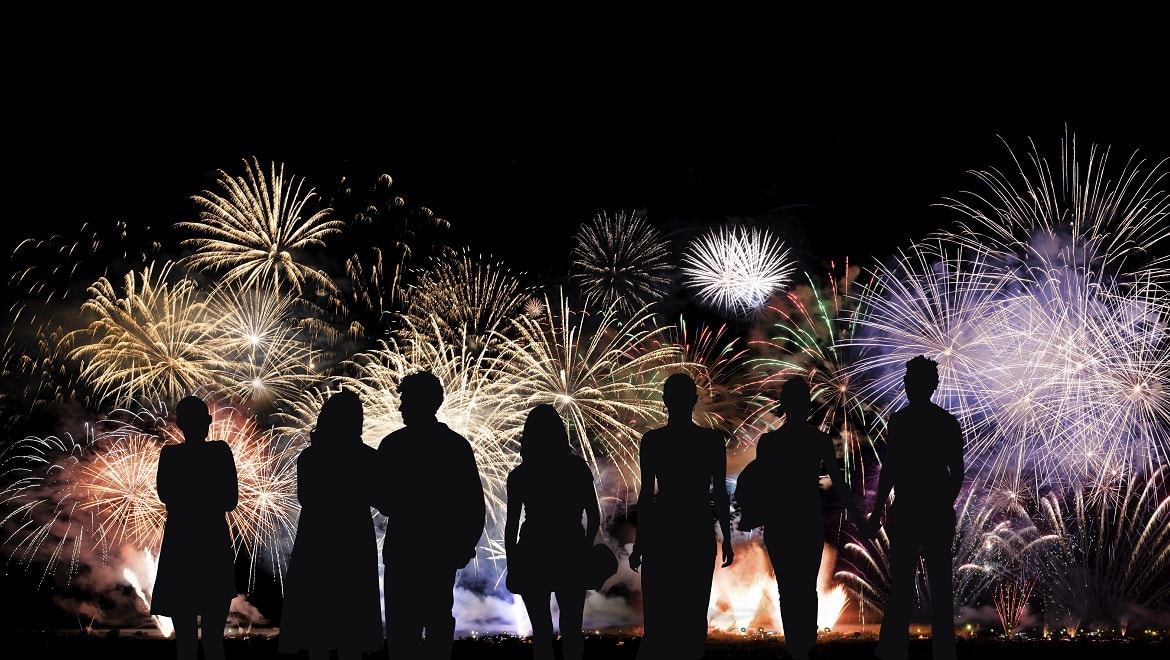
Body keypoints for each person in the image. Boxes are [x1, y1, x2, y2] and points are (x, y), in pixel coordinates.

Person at [749, 376, 863, 660]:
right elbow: (838, 483)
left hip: (780, 523)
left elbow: (759, 483)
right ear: (807, 405)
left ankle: (796, 647)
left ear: (784, 405)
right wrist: (861, 520)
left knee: (788, 588)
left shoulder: (770, 442)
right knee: (805, 588)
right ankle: (806, 646)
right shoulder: (818, 440)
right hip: (806, 521)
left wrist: (752, 513)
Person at [377, 370, 486, 660]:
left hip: (404, 550)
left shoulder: (392, 445)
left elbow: (383, 502)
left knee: (402, 629)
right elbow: (474, 504)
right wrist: (463, 545)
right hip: (440, 551)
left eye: (405, 400)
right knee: (438, 621)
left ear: (419, 402)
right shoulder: (456, 446)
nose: (400, 407)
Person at [862, 355, 965, 660]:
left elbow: (890, 471)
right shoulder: (946, 422)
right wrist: (942, 504)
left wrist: (880, 508)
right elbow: (956, 473)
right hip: (929, 510)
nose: (907, 385)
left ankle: (893, 647)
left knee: (902, 584)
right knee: (939, 584)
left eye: (911, 380)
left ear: (925, 384)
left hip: (908, 509)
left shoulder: (901, 422)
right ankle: (944, 650)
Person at [629, 372, 734, 660]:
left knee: (660, 615)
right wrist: (725, 538)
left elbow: (646, 495)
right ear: (694, 401)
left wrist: (641, 543)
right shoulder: (712, 441)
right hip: (697, 528)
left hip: (663, 531)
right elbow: (720, 495)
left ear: (665, 401)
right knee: (693, 611)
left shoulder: (653, 442)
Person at [278, 388, 385, 660]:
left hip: (316, 541)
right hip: (354, 541)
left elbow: (307, 499)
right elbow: (384, 501)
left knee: (317, 626)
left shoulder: (310, 458)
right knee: (352, 624)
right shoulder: (368, 458)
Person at [504, 403, 602, 660]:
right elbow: (594, 516)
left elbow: (511, 525)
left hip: (532, 551)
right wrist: (586, 547)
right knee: (572, 630)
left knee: (541, 632)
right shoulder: (577, 468)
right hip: (570, 549)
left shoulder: (519, 475)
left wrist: (512, 562)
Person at [150, 395, 239, 660]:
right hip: (213, 545)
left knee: (185, 645)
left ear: (179, 424)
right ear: (208, 422)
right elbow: (230, 501)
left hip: (180, 546)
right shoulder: (220, 452)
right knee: (214, 642)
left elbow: (166, 495)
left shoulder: (170, 455)